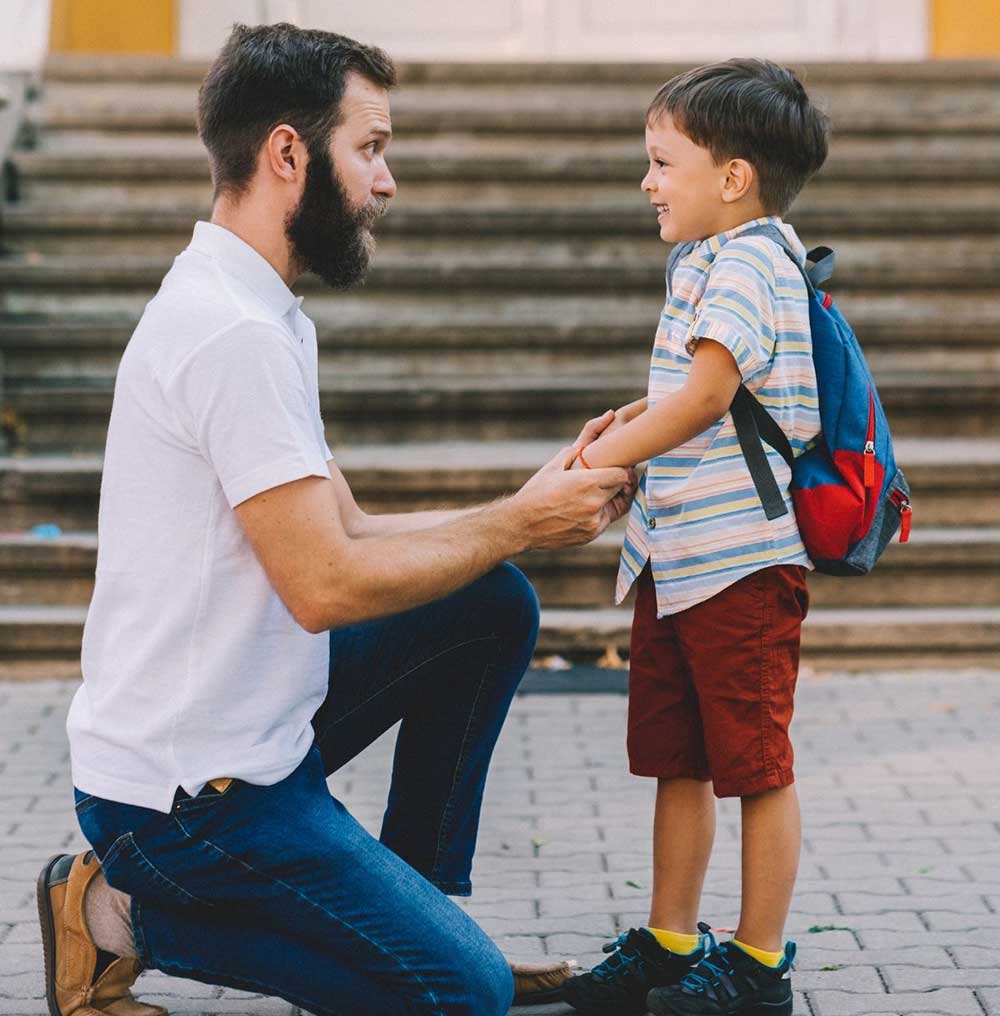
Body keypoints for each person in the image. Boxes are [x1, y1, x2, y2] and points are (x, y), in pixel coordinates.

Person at [35, 23, 634, 1016]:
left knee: (488, 601)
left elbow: (349, 526)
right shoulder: (231, 332)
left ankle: (409, 902)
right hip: (184, 801)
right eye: (371, 147)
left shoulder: (258, 307)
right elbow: (326, 586)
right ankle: (110, 911)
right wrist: (520, 521)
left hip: (246, 731)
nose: (386, 180)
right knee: (460, 994)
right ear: (286, 153)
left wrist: (520, 504)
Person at [560, 59, 829, 1016]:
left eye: (662, 160)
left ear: (734, 176)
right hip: (677, 560)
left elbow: (712, 396)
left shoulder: (756, 256)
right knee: (679, 756)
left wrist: (595, 470)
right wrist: (627, 420)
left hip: (741, 564)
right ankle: (674, 941)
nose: (648, 181)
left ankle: (758, 965)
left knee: (756, 765)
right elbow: (697, 391)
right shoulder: (707, 260)